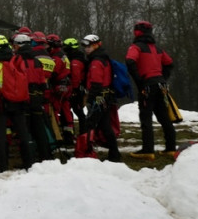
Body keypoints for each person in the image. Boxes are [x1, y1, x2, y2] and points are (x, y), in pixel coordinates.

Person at [125, 21, 178, 159]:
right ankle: (171, 148)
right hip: (161, 85)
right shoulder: (158, 48)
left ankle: (148, 150)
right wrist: (163, 77)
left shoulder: (136, 47)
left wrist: (139, 81)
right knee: (164, 117)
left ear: (136, 32)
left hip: (147, 85)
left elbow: (130, 61)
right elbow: (169, 63)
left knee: (146, 118)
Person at [0, 34, 33, 172]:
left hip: (1, 105)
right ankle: (29, 163)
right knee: (23, 134)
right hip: (19, 104)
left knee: (1, 135)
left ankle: (3, 167)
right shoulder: (17, 61)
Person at [11, 35, 53, 162]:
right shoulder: (37, 61)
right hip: (37, 99)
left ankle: (28, 159)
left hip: (24, 99)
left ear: (18, 45)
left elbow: (15, 81)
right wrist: (44, 97)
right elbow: (42, 82)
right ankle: (45, 156)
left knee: (25, 130)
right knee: (39, 129)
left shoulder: (17, 61)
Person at [81, 34, 121, 162]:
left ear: (95, 45)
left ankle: (86, 152)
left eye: (88, 46)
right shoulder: (103, 58)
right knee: (105, 126)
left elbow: (96, 83)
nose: (86, 49)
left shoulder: (96, 61)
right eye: (84, 46)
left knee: (90, 124)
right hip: (106, 96)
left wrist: (90, 98)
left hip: (99, 96)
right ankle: (114, 154)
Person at [62, 37, 88, 137]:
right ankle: (79, 132)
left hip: (76, 90)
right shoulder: (77, 57)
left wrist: (74, 90)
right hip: (77, 89)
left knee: (78, 112)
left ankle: (83, 133)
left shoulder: (75, 61)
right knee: (76, 111)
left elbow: (75, 77)